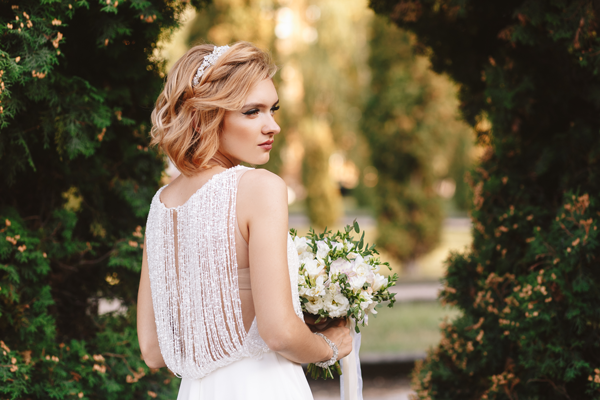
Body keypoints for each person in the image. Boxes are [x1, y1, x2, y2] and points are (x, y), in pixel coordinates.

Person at [136, 42, 353, 399]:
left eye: (273, 109)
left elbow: (152, 350)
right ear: (206, 115)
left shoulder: (161, 205)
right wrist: (329, 345)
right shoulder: (258, 187)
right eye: (252, 112)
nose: (273, 126)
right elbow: (279, 332)